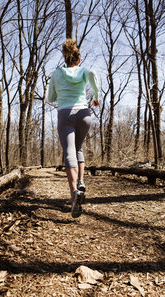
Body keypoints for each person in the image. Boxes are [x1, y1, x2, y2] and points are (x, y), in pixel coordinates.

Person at [48, 39, 99, 218]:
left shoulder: (56, 74)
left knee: (69, 151)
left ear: (64, 57)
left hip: (65, 114)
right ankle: (81, 181)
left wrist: (60, 91)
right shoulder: (84, 71)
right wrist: (96, 95)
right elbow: (92, 73)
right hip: (84, 114)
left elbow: (50, 98)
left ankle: (74, 194)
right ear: (78, 60)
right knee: (78, 149)